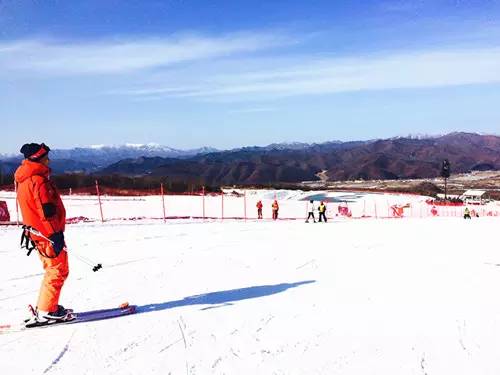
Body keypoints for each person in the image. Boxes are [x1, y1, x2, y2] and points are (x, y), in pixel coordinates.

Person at [14, 143, 72, 325]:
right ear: (38, 158)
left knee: (53, 269)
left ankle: (47, 308)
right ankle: (47, 310)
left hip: (39, 234)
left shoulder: (26, 179)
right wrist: (55, 235)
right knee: (58, 270)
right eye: (46, 157)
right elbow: (46, 211)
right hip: (47, 235)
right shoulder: (37, 181)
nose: (49, 160)